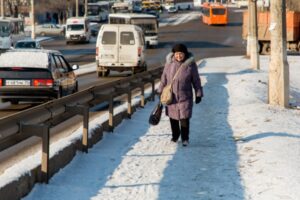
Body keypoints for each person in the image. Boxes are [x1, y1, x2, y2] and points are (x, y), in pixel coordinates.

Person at [157, 43, 203, 146]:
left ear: (185, 54)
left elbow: (196, 80)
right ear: (174, 54)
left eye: (181, 54)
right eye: (177, 54)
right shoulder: (169, 64)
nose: (179, 56)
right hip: (171, 97)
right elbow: (164, 78)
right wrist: (160, 90)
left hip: (185, 96)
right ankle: (175, 136)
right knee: (173, 119)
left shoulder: (190, 65)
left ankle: (185, 139)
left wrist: (198, 93)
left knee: (184, 119)